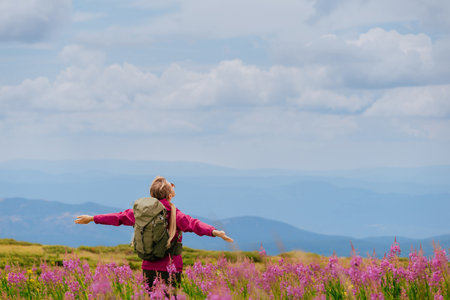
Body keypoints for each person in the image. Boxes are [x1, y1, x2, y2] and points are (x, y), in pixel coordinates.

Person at [74, 176, 233, 292]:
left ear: (152, 195)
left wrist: (93, 218)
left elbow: (119, 217)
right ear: (169, 196)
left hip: (148, 267)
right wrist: (214, 231)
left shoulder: (141, 212)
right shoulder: (173, 213)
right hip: (171, 268)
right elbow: (194, 224)